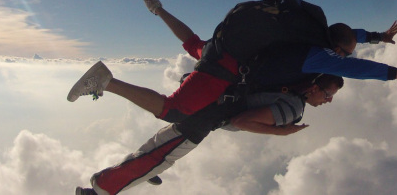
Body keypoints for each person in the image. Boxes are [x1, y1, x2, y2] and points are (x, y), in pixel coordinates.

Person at [67, 0, 397, 123]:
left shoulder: (312, 32)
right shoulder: (320, 56)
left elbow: (348, 39)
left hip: (227, 48)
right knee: (174, 110)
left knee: (195, 43)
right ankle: (106, 80)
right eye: (341, 54)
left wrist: (376, 37)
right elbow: (358, 67)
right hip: (227, 69)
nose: (340, 57)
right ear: (335, 51)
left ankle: (159, 10)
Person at [75, 73, 344, 195]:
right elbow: (243, 120)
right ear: (315, 88)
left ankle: (141, 170)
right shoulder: (292, 107)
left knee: (159, 147)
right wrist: (282, 132)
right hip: (208, 119)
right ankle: (99, 190)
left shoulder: (288, 81)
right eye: (329, 94)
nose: (329, 100)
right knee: (161, 155)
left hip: (212, 100)